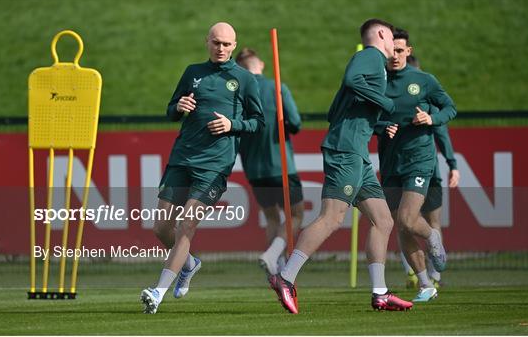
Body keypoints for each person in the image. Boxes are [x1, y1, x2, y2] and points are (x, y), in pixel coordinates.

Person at [267, 18, 413, 314]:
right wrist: (385, 104)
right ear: (382, 34)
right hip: (346, 151)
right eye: (392, 39)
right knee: (332, 218)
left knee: (383, 220)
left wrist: (377, 125)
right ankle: (285, 277)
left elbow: (336, 110)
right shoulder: (370, 56)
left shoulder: (372, 64)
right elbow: (351, 81)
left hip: (357, 153)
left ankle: (380, 293)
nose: (394, 49)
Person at [140, 22, 265, 314]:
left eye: (226, 44)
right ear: (207, 42)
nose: (221, 48)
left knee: (187, 224)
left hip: (214, 167)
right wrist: (179, 107)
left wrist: (232, 124)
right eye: (216, 43)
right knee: (161, 228)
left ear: (234, 45)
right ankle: (189, 263)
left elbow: (259, 122)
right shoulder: (192, 72)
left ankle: (157, 292)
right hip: (182, 159)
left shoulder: (245, 79)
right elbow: (171, 110)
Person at [376, 28, 457, 303]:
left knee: (407, 219)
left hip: (418, 160)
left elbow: (450, 108)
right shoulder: (376, 82)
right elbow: (362, 120)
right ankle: (425, 284)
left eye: (401, 50)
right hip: (389, 163)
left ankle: (433, 236)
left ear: (408, 52)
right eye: (392, 50)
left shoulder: (423, 80)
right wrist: (381, 127)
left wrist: (431, 119)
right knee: (401, 227)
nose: (396, 55)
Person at [235, 48, 304, 277]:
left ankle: (276, 268)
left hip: (254, 168)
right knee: (295, 216)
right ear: (261, 64)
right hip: (281, 164)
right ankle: (273, 255)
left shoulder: (238, 94)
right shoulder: (276, 88)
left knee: (272, 217)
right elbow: (295, 122)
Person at [400, 54, 460, 290]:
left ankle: (421, 273)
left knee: (409, 222)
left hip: (425, 171)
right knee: (418, 222)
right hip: (418, 170)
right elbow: (443, 135)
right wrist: (452, 164)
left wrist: (452, 164)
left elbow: (441, 131)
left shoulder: (427, 100)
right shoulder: (418, 95)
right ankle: (430, 276)